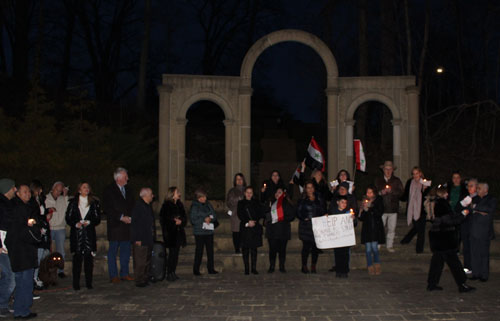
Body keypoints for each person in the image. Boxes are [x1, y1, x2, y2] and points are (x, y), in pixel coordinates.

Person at [427, 186, 475, 293]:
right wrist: (463, 215)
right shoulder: (442, 204)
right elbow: (449, 221)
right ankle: (462, 284)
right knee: (454, 263)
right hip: (445, 238)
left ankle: (432, 283)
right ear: (444, 193)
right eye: (446, 193)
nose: (448, 195)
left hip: (438, 237)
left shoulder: (438, 203)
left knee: (437, 262)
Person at [6, 185, 41, 319]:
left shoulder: (17, 207)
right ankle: (23, 309)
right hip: (23, 250)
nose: (28, 194)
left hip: (19, 249)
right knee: (24, 281)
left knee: (22, 280)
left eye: (29, 192)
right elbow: (23, 230)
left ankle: (20, 309)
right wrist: (35, 230)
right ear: (18, 194)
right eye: (24, 192)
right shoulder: (19, 208)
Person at [65, 182, 101, 290]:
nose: (86, 189)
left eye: (88, 187)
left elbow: (97, 218)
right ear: (79, 190)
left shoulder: (94, 202)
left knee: (89, 260)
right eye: (84, 187)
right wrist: (76, 224)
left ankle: (89, 283)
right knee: (77, 260)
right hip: (77, 235)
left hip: (89, 234)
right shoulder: (73, 203)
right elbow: (68, 218)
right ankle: (76, 284)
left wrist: (89, 222)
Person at [102, 167, 135, 283]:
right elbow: (107, 208)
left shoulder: (129, 190)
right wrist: (121, 217)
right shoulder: (109, 190)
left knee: (126, 251)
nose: (128, 179)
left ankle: (124, 273)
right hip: (116, 226)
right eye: (126, 177)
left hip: (127, 226)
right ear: (119, 178)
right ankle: (113, 275)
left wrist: (131, 217)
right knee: (113, 251)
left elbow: (132, 205)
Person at [374, 161, 404, 252]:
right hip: (381, 208)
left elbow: (402, 193)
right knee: (380, 228)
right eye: (386, 169)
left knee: (392, 228)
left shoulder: (396, 180)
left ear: (392, 170)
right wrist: (380, 193)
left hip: (393, 208)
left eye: (390, 169)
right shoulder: (378, 180)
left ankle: (389, 245)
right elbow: (373, 192)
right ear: (383, 170)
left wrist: (392, 192)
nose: (388, 171)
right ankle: (378, 244)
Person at [469, 183, 496, 282]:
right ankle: (476, 273)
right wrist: (478, 211)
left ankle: (484, 274)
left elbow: (488, 210)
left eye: (479, 188)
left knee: (484, 254)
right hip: (473, 230)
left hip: (484, 231)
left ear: (485, 189)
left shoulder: (491, 199)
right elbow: (470, 208)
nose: (477, 190)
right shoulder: (475, 198)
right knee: (474, 253)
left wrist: (476, 209)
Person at [159, 187, 187, 282]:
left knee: (175, 254)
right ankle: (169, 272)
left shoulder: (180, 205)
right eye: (177, 192)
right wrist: (173, 222)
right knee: (171, 254)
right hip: (171, 233)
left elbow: (184, 217)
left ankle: (173, 272)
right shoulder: (166, 206)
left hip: (179, 233)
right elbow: (164, 220)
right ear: (172, 194)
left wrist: (181, 221)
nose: (179, 193)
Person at [400, 166, 430, 253]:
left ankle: (419, 249)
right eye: (413, 174)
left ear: (420, 173)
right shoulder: (410, 182)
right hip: (413, 209)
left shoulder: (425, 182)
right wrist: (399, 197)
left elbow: (428, 194)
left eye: (417, 173)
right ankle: (406, 240)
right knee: (417, 227)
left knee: (421, 230)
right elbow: (406, 194)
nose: (415, 175)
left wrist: (424, 189)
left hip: (422, 209)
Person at [297, 181, 325, 273]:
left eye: (311, 187)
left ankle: (313, 265)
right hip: (306, 226)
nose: (310, 189)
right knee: (306, 246)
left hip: (317, 225)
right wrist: (303, 218)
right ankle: (304, 265)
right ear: (305, 189)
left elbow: (322, 209)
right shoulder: (302, 199)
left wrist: (324, 215)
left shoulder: (318, 198)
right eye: (308, 187)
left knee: (315, 247)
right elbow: (298, 212)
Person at [265, 188, 295, 273]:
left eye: (280, 192)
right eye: (276, 192)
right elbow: (266, 213)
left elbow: (292, 215)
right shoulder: (271, 202)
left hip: (283, 230)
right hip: (272, 230)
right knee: (272, 250)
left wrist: (281, 217)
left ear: (284, 194)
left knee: (282, 250)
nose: (277, 193)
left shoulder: (287, 203)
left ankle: (282, 266)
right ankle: (272, 266)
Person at [131, 188, 156, 287]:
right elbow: (135, 224)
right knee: (140, 261)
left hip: (148, 237)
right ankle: (139, 280)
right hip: (141, 238)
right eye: (151, 194)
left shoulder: (147, 206)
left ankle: (145, 278)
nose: (152, 196)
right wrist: (137, 239)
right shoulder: (138, 207)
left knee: (147, 260)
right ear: (145, 195)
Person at [190, 188, 218, 275]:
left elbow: (214, 216)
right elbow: (193, 220)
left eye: (204, 197)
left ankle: (211, 268)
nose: (203, 199)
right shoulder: (194, 206)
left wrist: (210, 219)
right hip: (199, 232)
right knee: (199, 251)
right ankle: (196, 269)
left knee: (210, 251)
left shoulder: (208, 205)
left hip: (209, 231)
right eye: (201, 197)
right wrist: (204, 219)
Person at [237, 186, 265, 275]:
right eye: (247, 192)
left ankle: (253, 268)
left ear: (252, 194)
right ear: (244, 193)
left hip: (255, 227)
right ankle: (246, 268)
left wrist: (254, 221)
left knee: (254, 249)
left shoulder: (256, 202)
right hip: (245, 228)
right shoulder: (241, 203)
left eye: (251, 192)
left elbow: (260, 212)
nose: (249, 194)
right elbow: (240, 214)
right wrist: (247, 222)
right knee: (245, 249)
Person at [29, 180, 51, 290]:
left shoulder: (40, 200)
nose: (41, 191)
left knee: (42, 253)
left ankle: (36, 277)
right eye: (39, 189)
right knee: (37, 256)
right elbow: (34, 215)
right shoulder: (31, 201)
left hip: (42, 228)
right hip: (37, 230)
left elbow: (41, 213)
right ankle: (33, 278)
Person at [454, 178, 479, 275]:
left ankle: (475, 267)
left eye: (471, 186)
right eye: (468, 186)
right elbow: (457, 208)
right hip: (465, 226)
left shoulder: (479, 198)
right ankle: (467, 267)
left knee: (475, 247)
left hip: (475, 227)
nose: (469, 188)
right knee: (466, 247)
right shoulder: (465, 197)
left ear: (476, 187)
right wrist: (463, 204)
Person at [328, 195, 357, 278]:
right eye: (342, 202)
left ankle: (344, 271)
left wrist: (353, 219)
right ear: (338, 202)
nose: (344, 204)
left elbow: (354, 224)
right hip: (337, 237)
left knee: (345, 254)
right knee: (338, 254)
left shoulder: (348, 212)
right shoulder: (333, 212)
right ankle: (338, 270)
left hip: (346, 237)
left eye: (345, 203)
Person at [359, 186, 385, 275]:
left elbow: (379, 213)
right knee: (368, 249)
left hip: (375, 228)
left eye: (370, 192)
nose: (369, 194)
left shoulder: (378, 200)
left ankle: (377, 265)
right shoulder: (364, 202)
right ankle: (370, 266)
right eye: (367, 192)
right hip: (367, 229)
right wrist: (363, 210)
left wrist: (371, 208)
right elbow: (361, 218)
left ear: (374, 193)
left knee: (374, 248)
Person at [44, 181, 69, 278]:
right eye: (57, 190)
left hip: (60, 227)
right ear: (52, 189)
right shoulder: (46, 198)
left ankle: (60, 271)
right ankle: (47, 270)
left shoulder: (63, 199)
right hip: (49, 227)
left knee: (61, 250)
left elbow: (68, 208)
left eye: (60, 191)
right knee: (47, 251)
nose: (58, 193)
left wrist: (65, 196)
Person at [0, 178, 16, 318]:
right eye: (13, 188)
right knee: (10, 276)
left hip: (8, 243)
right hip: (2, 245)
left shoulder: (8, 204)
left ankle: (4, 302)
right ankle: (2, 304)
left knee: (9, 275)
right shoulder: (2, 204)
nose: (15, 190)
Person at [226, 173, 246, 254]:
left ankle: (244, 247)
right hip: (235, 214)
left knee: (244, 232)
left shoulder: (247, 189)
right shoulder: (232, 190)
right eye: (237, 179)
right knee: (236, 232)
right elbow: (230, 202)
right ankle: (237, 248)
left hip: (245, 214)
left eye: (241, 179)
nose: (239, 181)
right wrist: (240, 198)